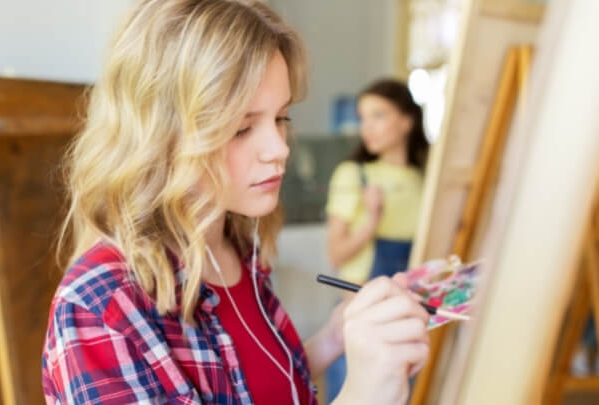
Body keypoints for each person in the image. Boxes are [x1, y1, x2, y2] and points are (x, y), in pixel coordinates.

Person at [41, 2, 429, 404]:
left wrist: (335, 337)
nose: (279, 148)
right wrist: (366, 393)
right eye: (243, 128)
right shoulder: (100, 309)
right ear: (160, 136)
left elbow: (260, 389)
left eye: (281, 118)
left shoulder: (236, 245)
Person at [324, 79, 430, 402]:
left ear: (407, 122)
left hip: (407, 323)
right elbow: (335, 254)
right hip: (357, 322)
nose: (367, 127)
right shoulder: (353, 175)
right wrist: (371, 220)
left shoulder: (426, 180)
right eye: (363, 117)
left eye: (378, 115)